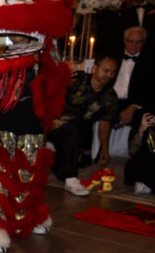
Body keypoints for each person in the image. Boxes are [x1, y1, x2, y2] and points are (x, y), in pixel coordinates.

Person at [47, 55, 120, 196]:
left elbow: (105, 123)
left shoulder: (110, 97)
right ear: (94, 69)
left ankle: (61, 166)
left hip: (76, 135)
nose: (109, 75)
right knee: (71, 131)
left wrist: (105, 149)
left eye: (113, 72)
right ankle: (71, 178)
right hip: (52, 122)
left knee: (62, 171)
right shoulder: (75, 79)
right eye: (106, 70)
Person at [114, 26, 155, 128]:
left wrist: (133, 107)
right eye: (130, 41)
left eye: (138, 42)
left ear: (144, 42)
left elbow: (150, 90)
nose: (134, 46)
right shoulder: (114, 56)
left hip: (134, 104)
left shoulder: (151, 62)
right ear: (124, 40)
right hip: (110, 101)